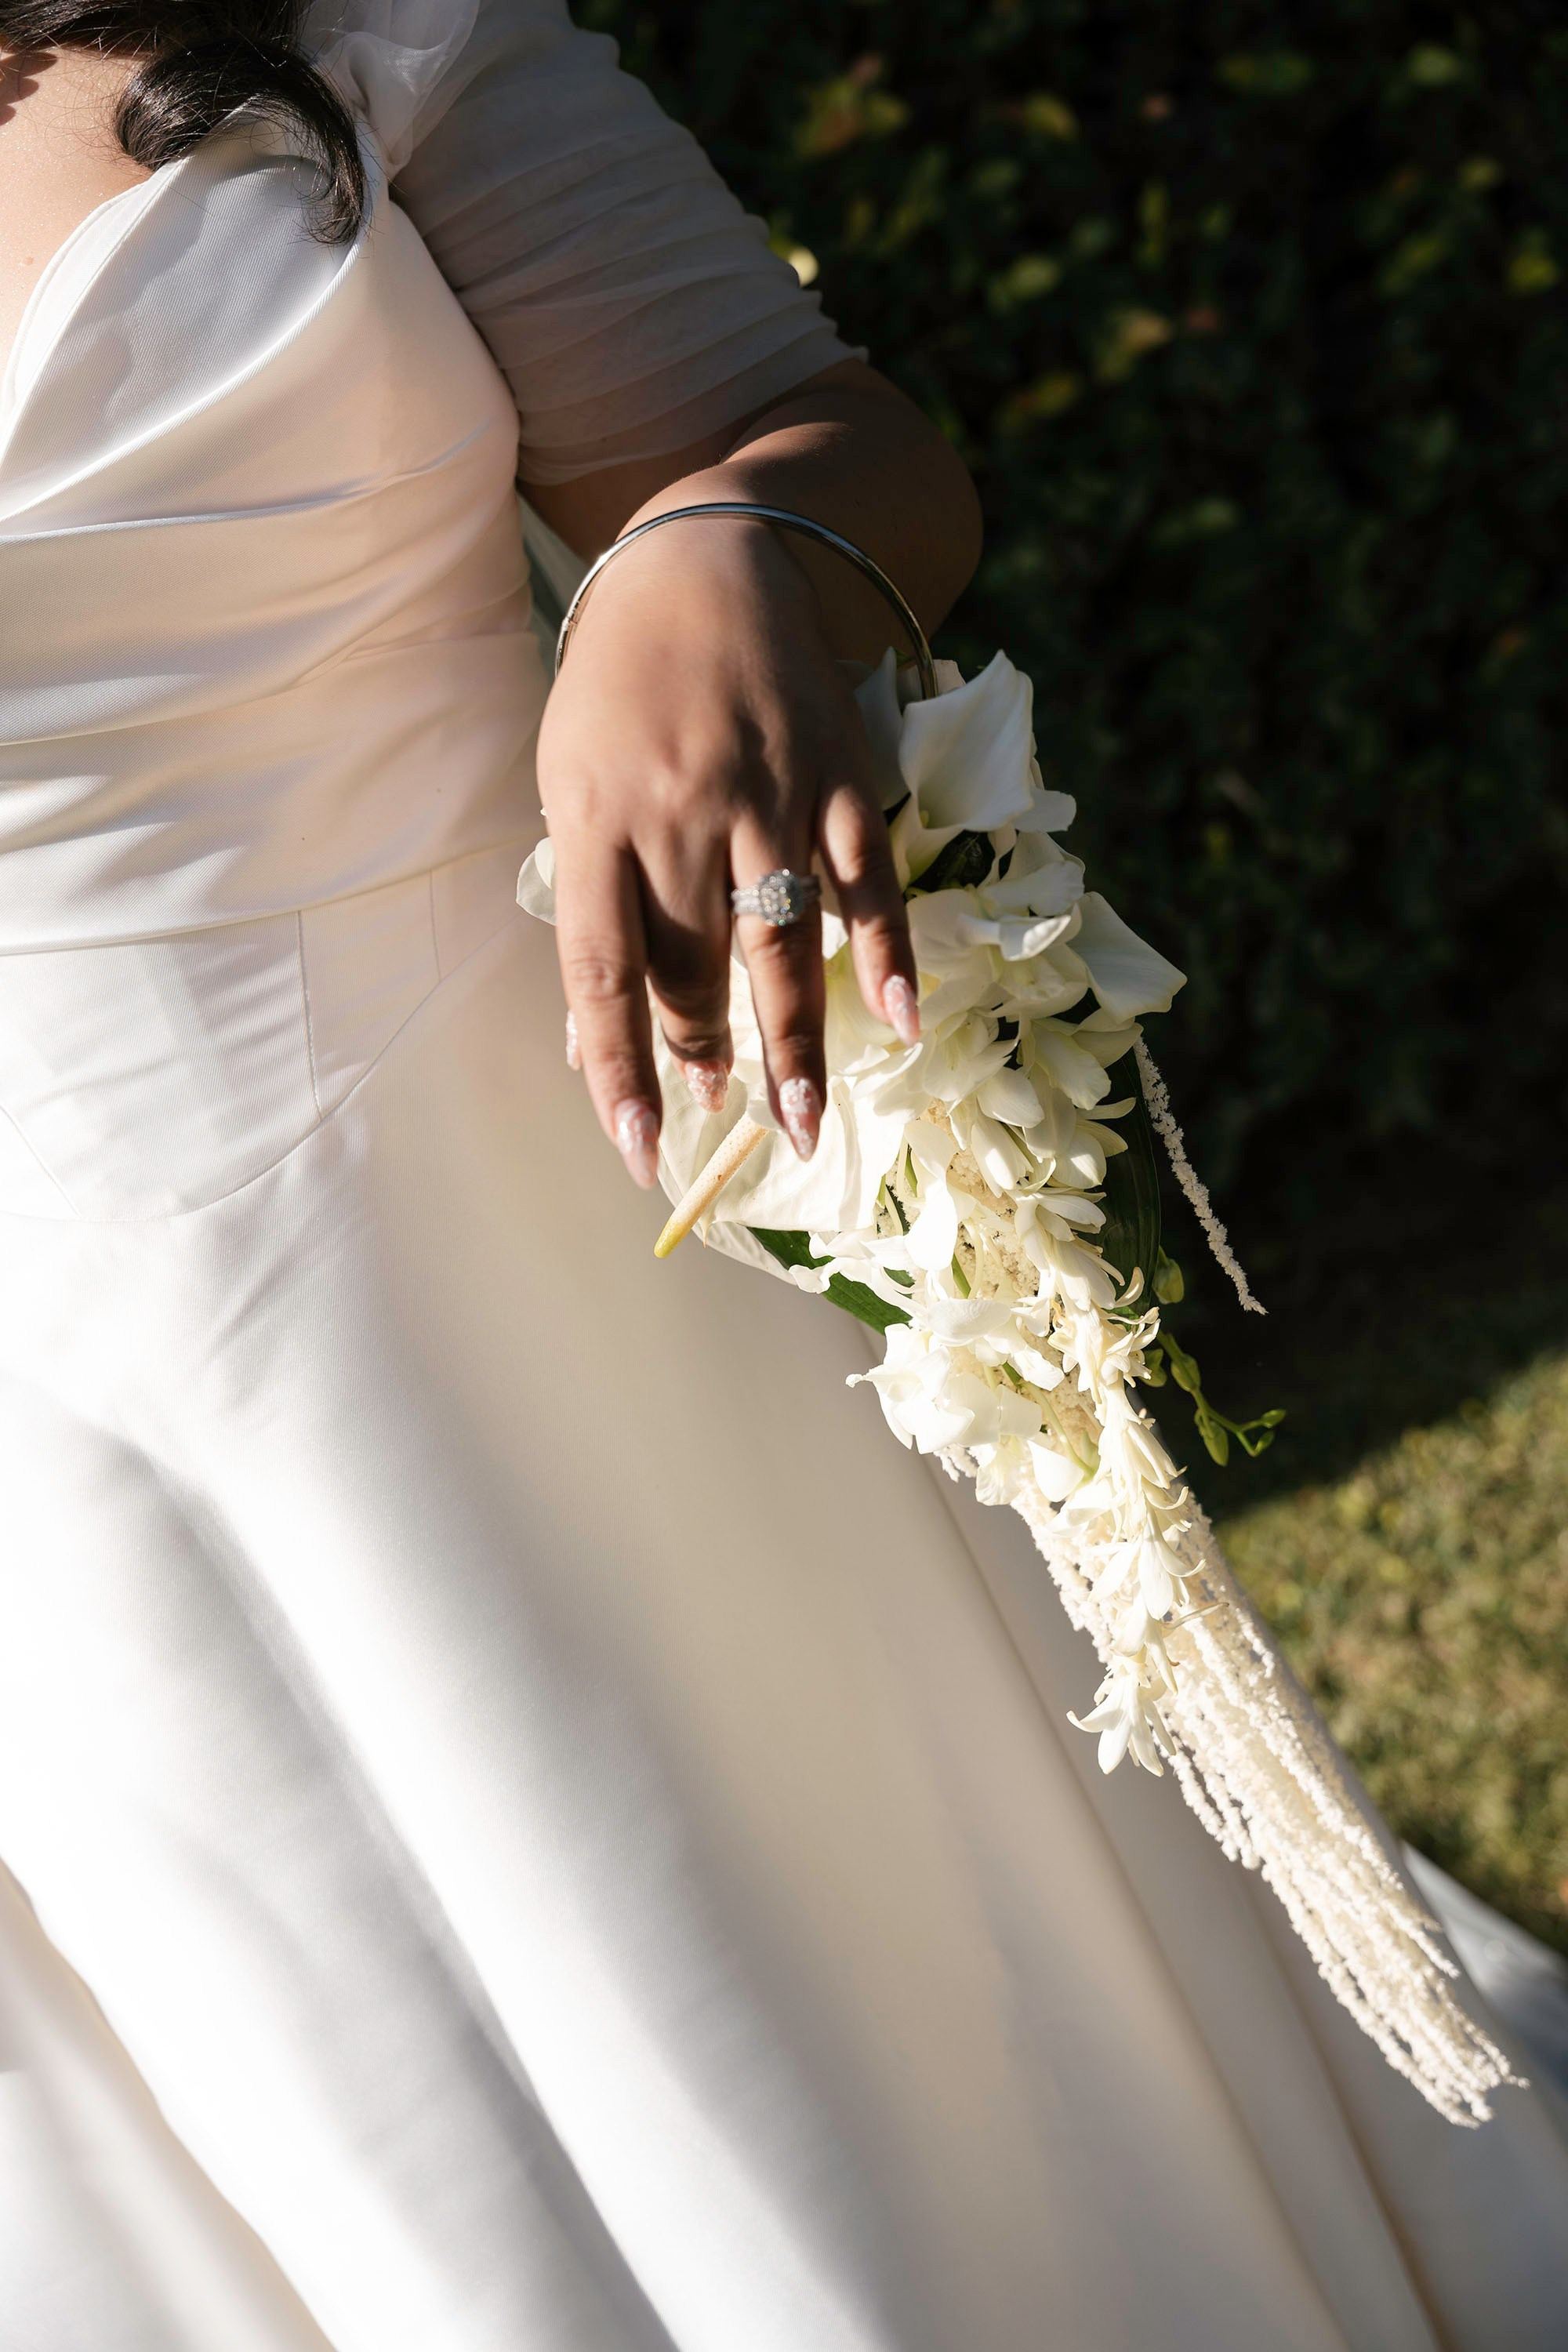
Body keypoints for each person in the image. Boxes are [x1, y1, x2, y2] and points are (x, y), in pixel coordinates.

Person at [0, 6, 1564, 2348]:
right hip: (72, 1503)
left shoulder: (296, 15)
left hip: (622, 1237)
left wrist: (718, 554)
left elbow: (812, 435)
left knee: (921, 2042)